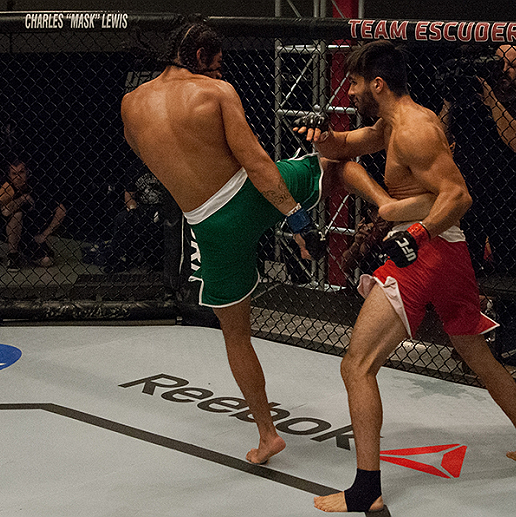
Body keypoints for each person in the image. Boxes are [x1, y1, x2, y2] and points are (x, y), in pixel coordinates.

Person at [120, 22, 409, 465]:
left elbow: (144, 152)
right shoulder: (216, 93)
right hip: (246, 196)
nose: (218, 74)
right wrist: (297, 218)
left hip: (207, 224)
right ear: (200, 59)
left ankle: (267, 435)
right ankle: (389, 205)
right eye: (215, 67)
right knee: (331, 159)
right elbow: (255, 162)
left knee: (236, 336)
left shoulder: (130, 104)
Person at [296, 40, 516, 513]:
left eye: (354, 83)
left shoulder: (414, 129)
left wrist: (416, 232)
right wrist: (319, 136)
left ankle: (366, 492)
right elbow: (349, 145)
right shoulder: (393, 123)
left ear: (378, 84)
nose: (349, 91)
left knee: (357, 365)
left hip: (428, 249)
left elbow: (459, 195)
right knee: (475, 352)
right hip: (448, 252)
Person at [439, 45, 516, 276]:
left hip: (513, 206)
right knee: (460, 275)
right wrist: (450, 99)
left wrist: (492, 101)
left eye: (513, 65)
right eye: (500, 63)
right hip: (468, 202)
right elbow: (437, 141)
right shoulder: (470, 102)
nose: (504, 69)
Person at [0, 158, 67, 271]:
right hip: (6, 229)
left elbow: (61, 211)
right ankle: (13, 256)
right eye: (14, 174)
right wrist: (23, 199)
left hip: (29, 234)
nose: (18, 177)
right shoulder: (7, 188)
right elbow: (6, 212)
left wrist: (45, 234)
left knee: (47, 261)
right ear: (9, 176)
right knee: (17, 215)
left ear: (27, 173)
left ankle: (26, 252)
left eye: (21, 172)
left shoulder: (37, 187)